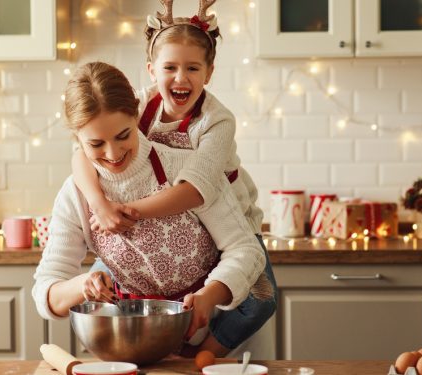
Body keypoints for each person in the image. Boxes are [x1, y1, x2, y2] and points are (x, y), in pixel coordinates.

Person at [70, 0, 277, 356]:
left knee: (261, 300)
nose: (181, 78)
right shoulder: (138, 106)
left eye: (193, 68)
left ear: (209, 73)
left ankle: (204, 354)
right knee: (108, 280)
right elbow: (79, 154)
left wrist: (126, 212)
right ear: (151, 70)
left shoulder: (217, 121)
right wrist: (101, 206)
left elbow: (195, 191)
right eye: (170, 67)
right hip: (147, 223)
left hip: (227, 218)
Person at [32, 62, 271, 358]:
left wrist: (210, 296)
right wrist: (84, 285)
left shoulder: (186, 169)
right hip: (134, 348)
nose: (113, 153)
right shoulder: (75, 194)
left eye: (123, 135)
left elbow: (246, 249)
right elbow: (46, 292)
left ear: (136, 114)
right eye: (95, 144)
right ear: (77, 140)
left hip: (219, 345)